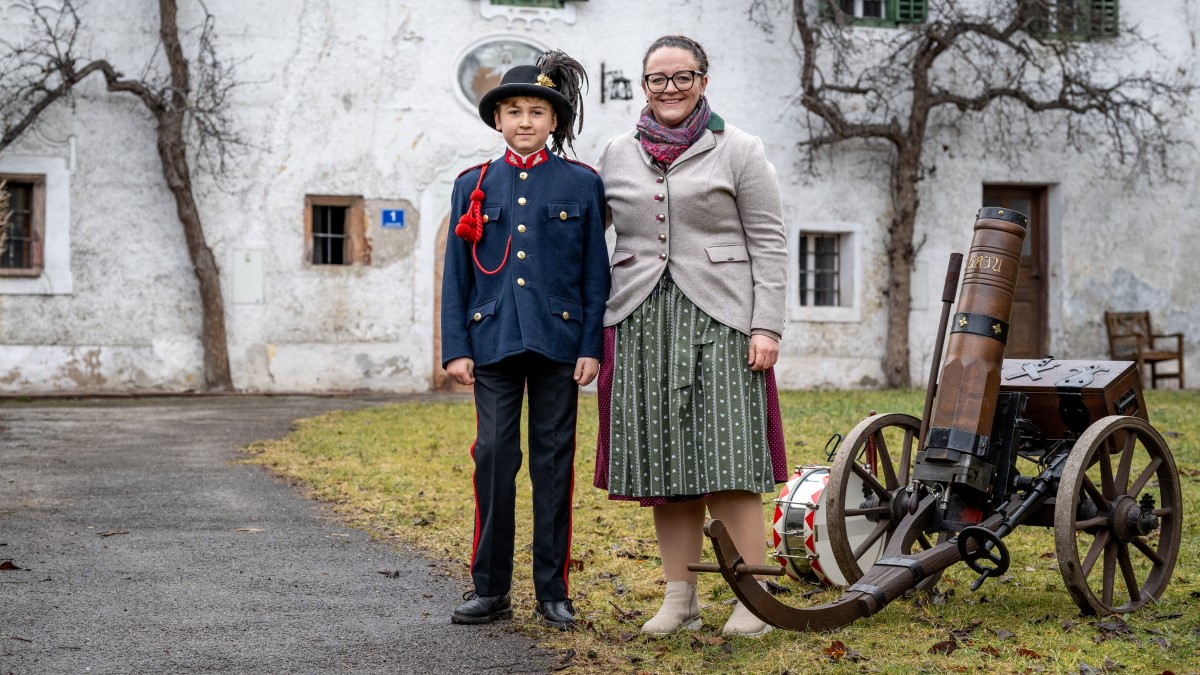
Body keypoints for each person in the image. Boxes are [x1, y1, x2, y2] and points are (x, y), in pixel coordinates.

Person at [593, 35, 789, 638]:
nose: (670, 88)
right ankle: (680, 599)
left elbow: (770, 241)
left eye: (683, 77)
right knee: (664, 466)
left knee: (730, 458)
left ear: (704, 81)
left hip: (724, 319)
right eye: (658, 79)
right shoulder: (615, 153)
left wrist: (767, 325)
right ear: (644, 86)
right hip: (640, 318)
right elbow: (582, 241)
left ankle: (750, 599)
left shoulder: (740, 149)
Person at [441, 50, 609, 631]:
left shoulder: (582, 184)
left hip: (560, 344)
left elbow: (595, 273)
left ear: (554, 121)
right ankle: (490, 590)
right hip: (493, 344)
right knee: (493, 457)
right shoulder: (474, 184)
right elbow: (457, 275)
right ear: (497, 120)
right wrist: (456, 345)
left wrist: (591, 345)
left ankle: (552, 591)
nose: (525, 121)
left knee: (553, 464)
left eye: (537, 111)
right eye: (513, 111)